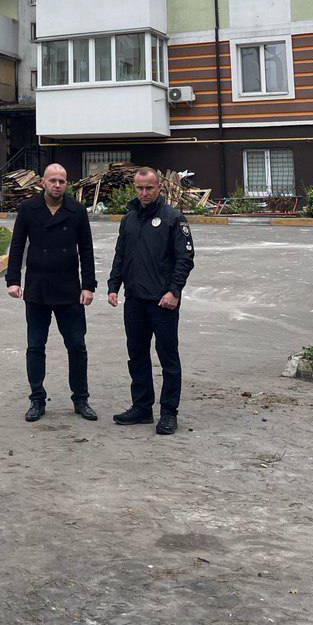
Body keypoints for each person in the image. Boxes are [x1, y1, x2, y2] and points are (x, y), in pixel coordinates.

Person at [6, 162, 98, 423]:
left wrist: (88, 285)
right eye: (53, 180)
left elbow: (86, 250)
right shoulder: (28, 209)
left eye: (62, 181)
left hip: (69, 289)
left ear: (67, 184)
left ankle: (80, 399)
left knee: (77, 346)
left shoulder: (76, 210)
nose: (57, 185)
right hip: (38, 288)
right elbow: (17, 245)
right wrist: (13, 280)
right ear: (42, 183)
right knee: (35, 346)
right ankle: (37, 399)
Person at [107, 166, 195, 435]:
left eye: (149, 188)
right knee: (137, 355)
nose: (144, 193)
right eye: (140, 188)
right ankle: (142, 407)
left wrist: (174, 291)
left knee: (168, 358)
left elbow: (185, 258)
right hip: (134, 300)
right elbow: (120, 255)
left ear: (159, 188)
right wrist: (113, 286)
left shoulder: (173, 218)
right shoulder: (129, 219)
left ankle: (168, 412)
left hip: (163, 301)